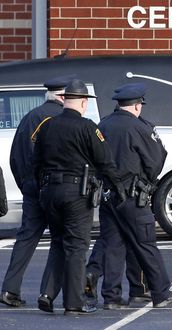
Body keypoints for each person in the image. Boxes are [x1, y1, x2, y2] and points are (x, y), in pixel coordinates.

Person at [31, 78, 123, 315]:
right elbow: (105, 161)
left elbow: (36, 162)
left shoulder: (47, 125)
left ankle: (47, 294)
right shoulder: (88, 128)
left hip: (50, 192)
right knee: (76, 247)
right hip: (77, 193)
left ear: (64, 100)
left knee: (58, 243)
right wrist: (119, 188)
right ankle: (74, 302)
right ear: (83, 102)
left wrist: (40, 188)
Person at [96, 84, 172, 310]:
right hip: (134, 195)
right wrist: (147, 181)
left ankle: (111, 297)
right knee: (146, 244)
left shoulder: (102, 125)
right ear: (137, 105)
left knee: (113, 245)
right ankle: (161, 293)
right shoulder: (141, 127)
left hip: (108, 195)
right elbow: (156, 160)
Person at [2, 77, 67, 309]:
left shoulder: (31, 116)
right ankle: (47, 294)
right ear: (62, 97)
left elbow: (15, 156)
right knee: (59, 240)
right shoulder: (60, 119)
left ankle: (10, 289)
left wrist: (26, 185)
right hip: (52, 189)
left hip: (31, 189)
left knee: (26, 239)